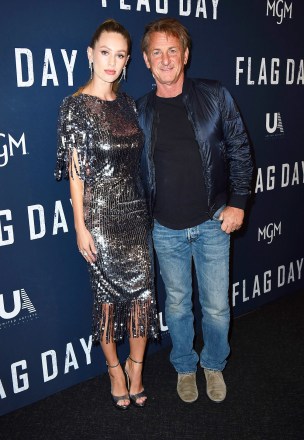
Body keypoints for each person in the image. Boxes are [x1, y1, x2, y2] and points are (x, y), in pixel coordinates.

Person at [137, 18, 253, 404]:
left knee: (217, 307)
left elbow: (239, 148)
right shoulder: (139, 112)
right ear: (145, 59)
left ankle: (214, 364)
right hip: (164, 229)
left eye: (173, 50)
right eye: (157, 51)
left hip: (211, 224)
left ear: (185, 55)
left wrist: (238, 202)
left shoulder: (215, 95)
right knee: (177, 305)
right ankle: (185, 365)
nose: (165, 58)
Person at [55, 19, 159, 410]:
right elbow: (75, 176)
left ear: (128, 60)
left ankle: (136, 367)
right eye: (105, 53)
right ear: (90, 55)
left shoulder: (129, 103)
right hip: (99, 218)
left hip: (134, 215)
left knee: (143, 296)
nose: (111, 62)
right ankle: (114, 369)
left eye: (119, 55)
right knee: (107, 300)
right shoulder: (75, 107)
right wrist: (81, 227)